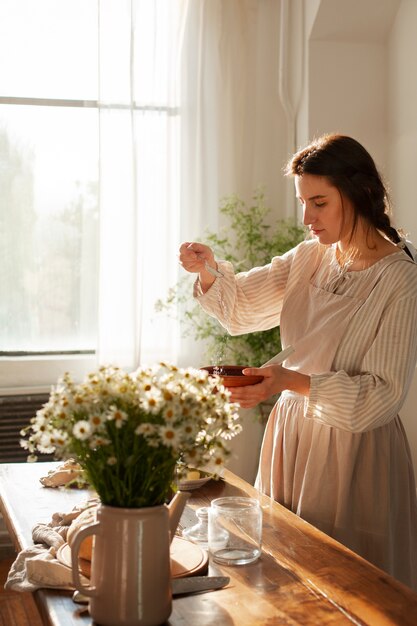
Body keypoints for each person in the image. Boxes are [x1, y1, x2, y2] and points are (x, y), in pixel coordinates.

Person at [179, 134, 417, 591]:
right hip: (293, 434)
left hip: (355, 452)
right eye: (303, 202)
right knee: (285, 581)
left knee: (348, 587)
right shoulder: (311, 256)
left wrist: (293, 381)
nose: (307, 218)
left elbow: (381, 397)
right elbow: (243, 305)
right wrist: (208, 269)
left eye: (320, 203)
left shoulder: (401, 279)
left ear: (360, 193)